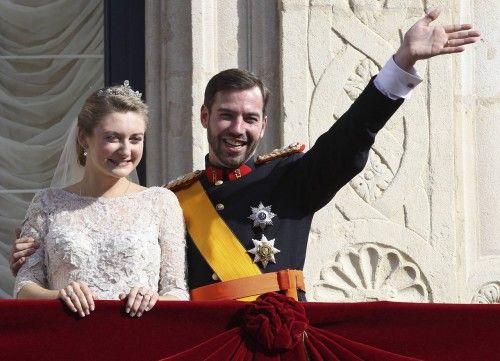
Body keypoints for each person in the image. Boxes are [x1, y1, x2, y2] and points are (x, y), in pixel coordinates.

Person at [11, 9, 479, 301]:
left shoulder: (292, 180)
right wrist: (48, 247)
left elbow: (348, 140)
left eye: (250, 118)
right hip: (203, 349)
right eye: (226, 116)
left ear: (263, 125)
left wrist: (400, 67)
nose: (238, 129)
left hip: (272, 347)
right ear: (204, 117)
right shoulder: (176, 201)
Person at [12, 82, 188, 317]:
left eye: (135, 139)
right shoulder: (46, 203)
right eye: (113, 138)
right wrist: (59, 295)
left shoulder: (161, 202)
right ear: (84, 138)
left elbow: (177, 291)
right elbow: (24, 287)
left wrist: (154, 299)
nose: (126, 151)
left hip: (139, 338)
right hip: (67, 337)